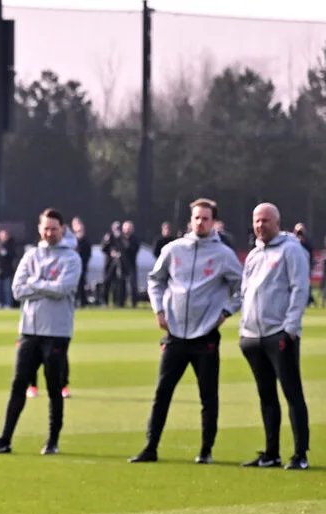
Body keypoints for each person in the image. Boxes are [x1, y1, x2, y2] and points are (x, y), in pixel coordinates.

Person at [130, 199, 241, 464]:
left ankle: (206, 450)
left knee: (208, 395)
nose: (200, 222)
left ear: (213, 222)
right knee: (162, 392)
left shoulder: (224, 255)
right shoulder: (173, 249)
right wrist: (158, 310)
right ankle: (151, 447)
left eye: (205, 218)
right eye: (196, 218)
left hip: (205, 336)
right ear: (190, 220)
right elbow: (155, 280)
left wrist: (225, 312)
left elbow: (242, 289)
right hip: (175, 334)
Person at [0, 209, 81, 456]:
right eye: (46, 228)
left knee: (55, 387)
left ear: (62, 229)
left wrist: (34, 283)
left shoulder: (71, 258)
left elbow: (62, 289)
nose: (49, 232)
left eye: (54, 228)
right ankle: (5, 439)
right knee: (18, 384)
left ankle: (53, 440)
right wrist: (44, 286)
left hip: (56, 331)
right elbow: (16, 290)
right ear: (39, 228)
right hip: (28, 330)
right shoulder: (31, 255)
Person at [239, 203, 311, 470]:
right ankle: (271, 452)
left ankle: (300, 454)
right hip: (253, 335)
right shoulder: (254, 255)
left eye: (265, 221)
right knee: (266, 395)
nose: (260, 225)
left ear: (277, 222)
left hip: (279, 334)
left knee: (292, 394)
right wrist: (244, 329)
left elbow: (299, 289)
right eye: (257, 221)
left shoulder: (291, 250)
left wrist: (289, 329)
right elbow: (246, 292)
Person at [0, 229, 18, 309]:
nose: (3, 237)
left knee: (8, 289)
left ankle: (8, 304)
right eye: (1, 235)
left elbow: (13, 255)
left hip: (7, 271)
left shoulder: (11, 245)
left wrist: (3, 252)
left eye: (4, 235)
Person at [72, 217, 93, 307]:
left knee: (82, 283)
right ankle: (75, 300)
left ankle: (83, 301)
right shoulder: (71, 239)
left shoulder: (85, 241)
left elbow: (87, 253)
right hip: (73, 265)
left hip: (82, 265)